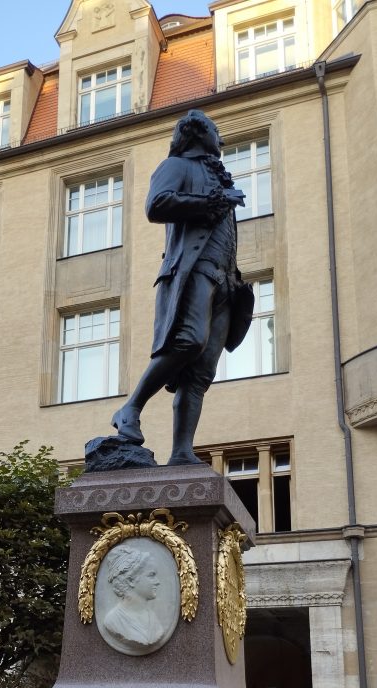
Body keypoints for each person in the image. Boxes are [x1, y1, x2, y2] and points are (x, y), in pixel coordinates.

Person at [111, 110, 254, 466]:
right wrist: (213, 202)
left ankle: (181, 450)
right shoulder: (177, 165)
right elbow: (156, 205)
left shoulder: (216, 175)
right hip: (193, 271)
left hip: (225, 281)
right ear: (196, 132)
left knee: (201, 371)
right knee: (188, 340)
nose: (220, 139)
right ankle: (130, 408)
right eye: (215, 130)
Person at [103, 545, 164, 650]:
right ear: (131, 580)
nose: (157, 582)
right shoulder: (113, 620)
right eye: (151, 575)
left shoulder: (154, 619)